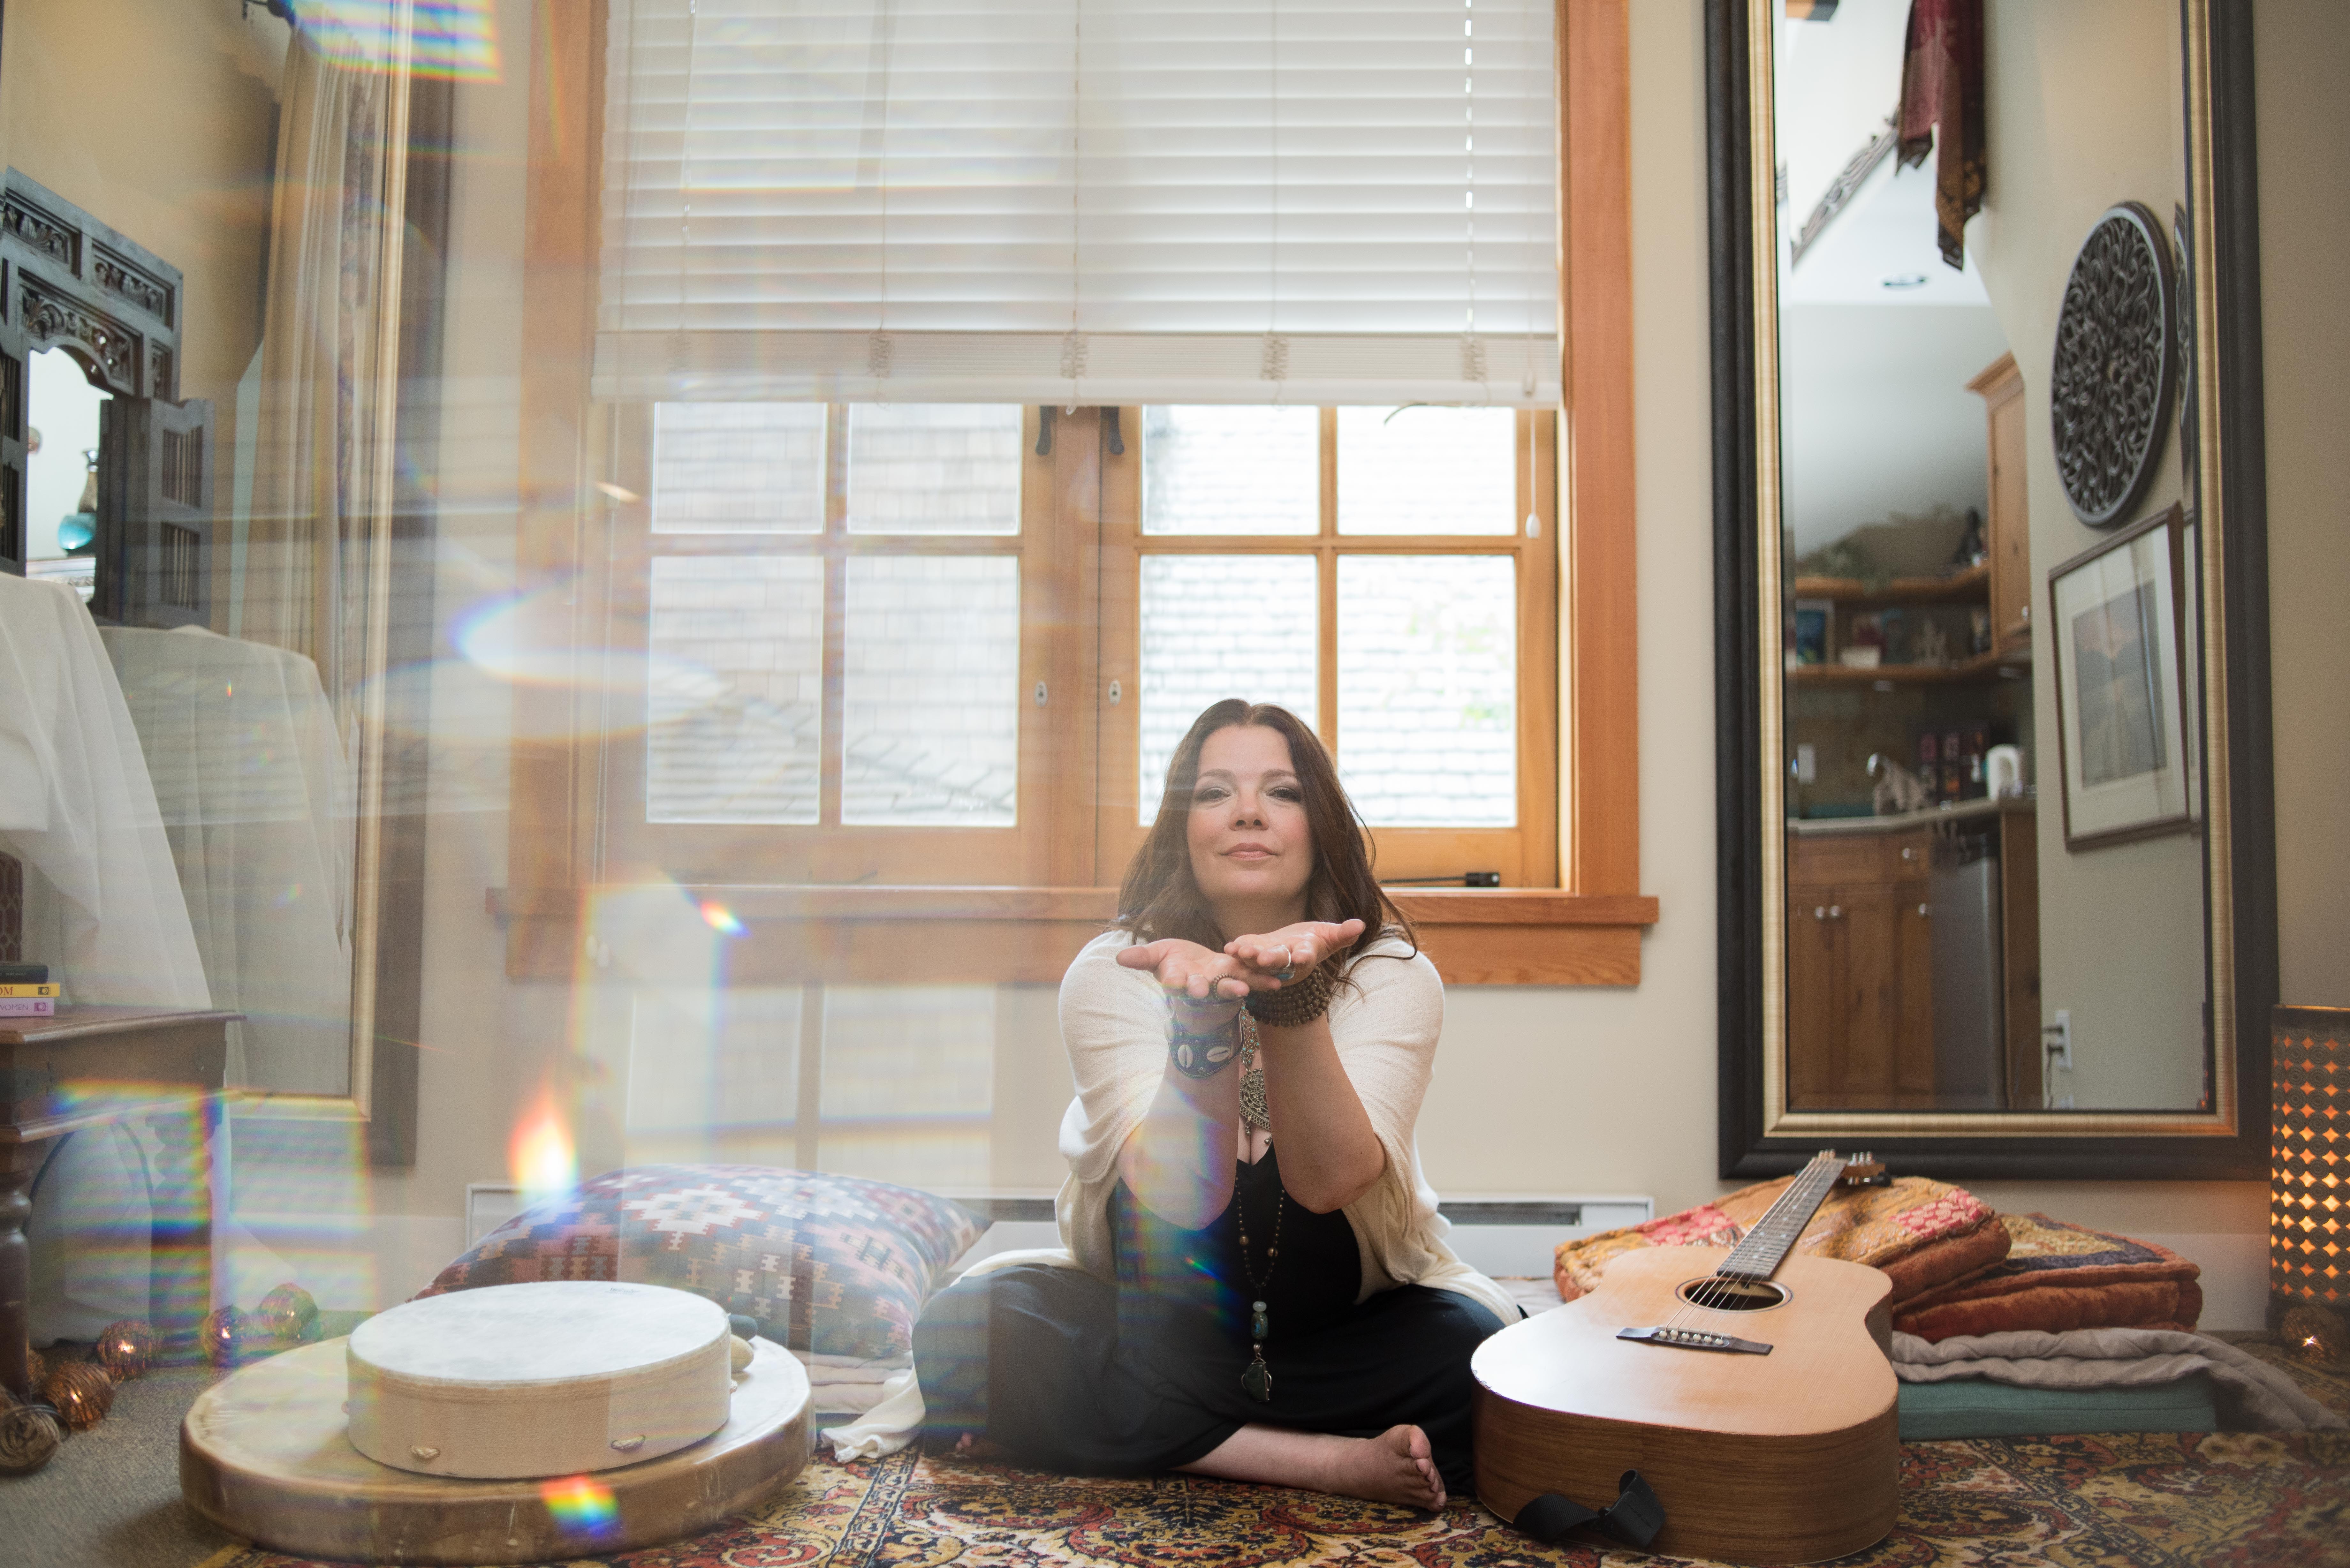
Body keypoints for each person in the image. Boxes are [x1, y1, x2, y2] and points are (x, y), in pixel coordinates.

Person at [912, 699, 1519, 1509]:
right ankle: (1320, 1460)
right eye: (1213, 793)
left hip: (1332, 1333)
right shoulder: (1111, 967)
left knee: (1481, 1356)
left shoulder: (1393, 974)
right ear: (1180, 827)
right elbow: (1177, 1193)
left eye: (1282, 791)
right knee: (968, 1327)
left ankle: (1155, 1429)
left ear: (1320, 822)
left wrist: (1290, 999)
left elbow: (1331, 1179)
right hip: (1155, 1323)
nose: (1246, 813)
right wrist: (1200, 1015)